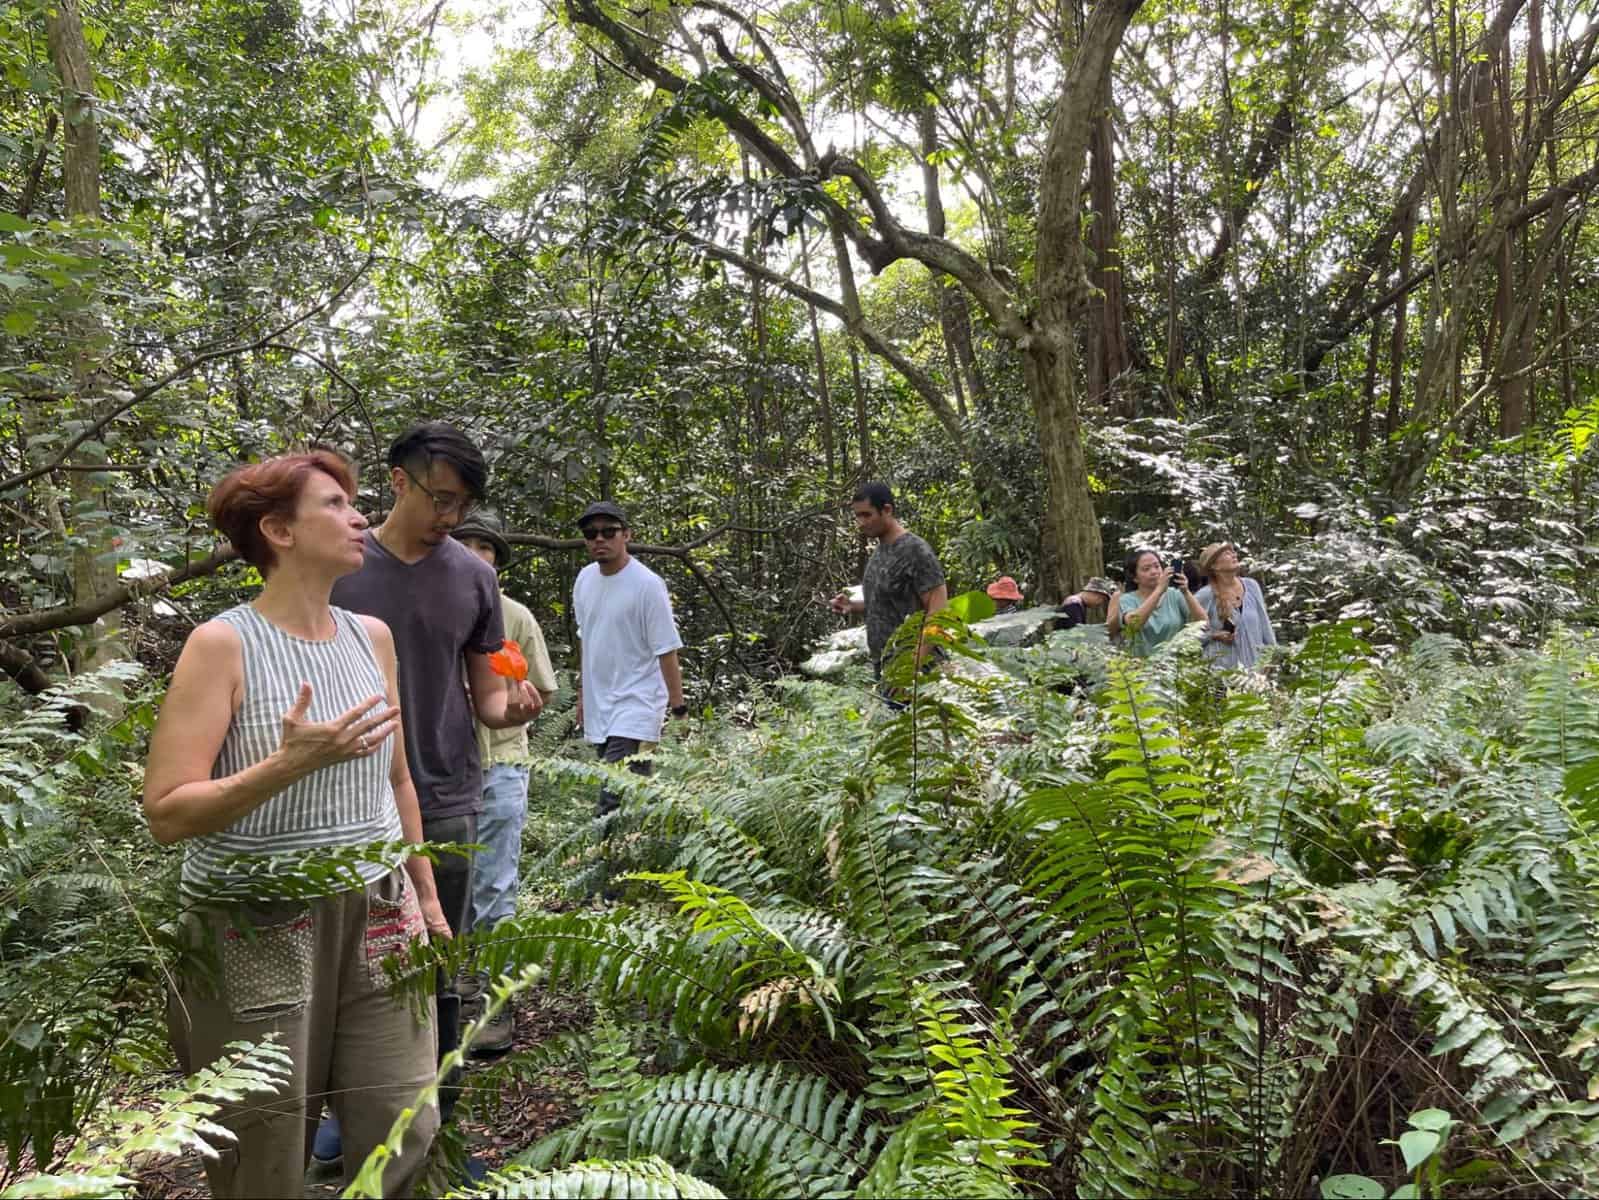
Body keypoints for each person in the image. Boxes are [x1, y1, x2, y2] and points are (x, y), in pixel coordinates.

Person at [144, 451, 442, 1199]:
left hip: (379, 910)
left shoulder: (370, 636)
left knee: (403, 1120)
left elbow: (397, 778)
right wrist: (286, 765)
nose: (358, 519)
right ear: (278, 530)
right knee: (264, 1142)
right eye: (336, 505)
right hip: (257, 920)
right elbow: (167, 811)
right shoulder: (222, 644)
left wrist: (427, 899)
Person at [319, 422, 543, 1159]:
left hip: (445, 793)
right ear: (397, 480)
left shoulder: (473, 576)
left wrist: (513, 707)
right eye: (439, 498)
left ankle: (435, 1135)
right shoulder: (342, 562)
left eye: (462, 504)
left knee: (437, 971)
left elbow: (485, 701)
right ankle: (341, 1123)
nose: (449, 516)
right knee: (349, 966)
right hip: (344, 795)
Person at [451, 510, 558, 1055]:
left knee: (494, 885)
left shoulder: (514, 618)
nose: (476, 553)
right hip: (440, 771)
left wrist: (515, 706)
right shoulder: (435, 610)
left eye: (486, 547)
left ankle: (498, 1000)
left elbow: (543, 688)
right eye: (465, 543)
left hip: (500, 766)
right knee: (451, 886)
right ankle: (460, 986)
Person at [572, 500, 687, 822]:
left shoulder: (647, 585)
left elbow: (666, 648)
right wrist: (583, 695)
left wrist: (678, 707)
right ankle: (645, 847)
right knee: (632, 789)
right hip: (601, 703)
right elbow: (587, 639)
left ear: (626, 535)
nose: (599, 539)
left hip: (638, 703)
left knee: (614, 792)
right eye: (591, 533)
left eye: (609, 532)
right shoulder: (584, 580)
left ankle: (605, 861)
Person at [829, 483, 949, 681]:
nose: (860, 522)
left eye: (867, 515)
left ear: (887, 510)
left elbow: (939, 613)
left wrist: (911, 666)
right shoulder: (880, 551)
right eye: (857, 516)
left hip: (916, 674)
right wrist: (853, 605)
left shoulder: (915, 551)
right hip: (886, 667)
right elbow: (889, 601)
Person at [1192, 541, 1277, 669]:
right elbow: (1188, 637)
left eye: (1233, 552)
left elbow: (1265, 626)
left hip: (1256, 673)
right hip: (1221, 674)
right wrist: (1214, 635)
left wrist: (1272, 658)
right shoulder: (1204, 596)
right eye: (1226, 553)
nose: (1233, 555)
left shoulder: (1251, 585)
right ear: (1215, 566)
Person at [1107, 547, 1206, 655]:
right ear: (1135, 578)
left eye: (1157, 566)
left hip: (1175, 666)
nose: (1154, 571)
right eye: (1146, 569)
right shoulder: (1126, 599)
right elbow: (1134, 624)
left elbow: (1203, 622)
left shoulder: (1175, 594)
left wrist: (1186, 592)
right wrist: (1159, 590)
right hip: (1139, 666)